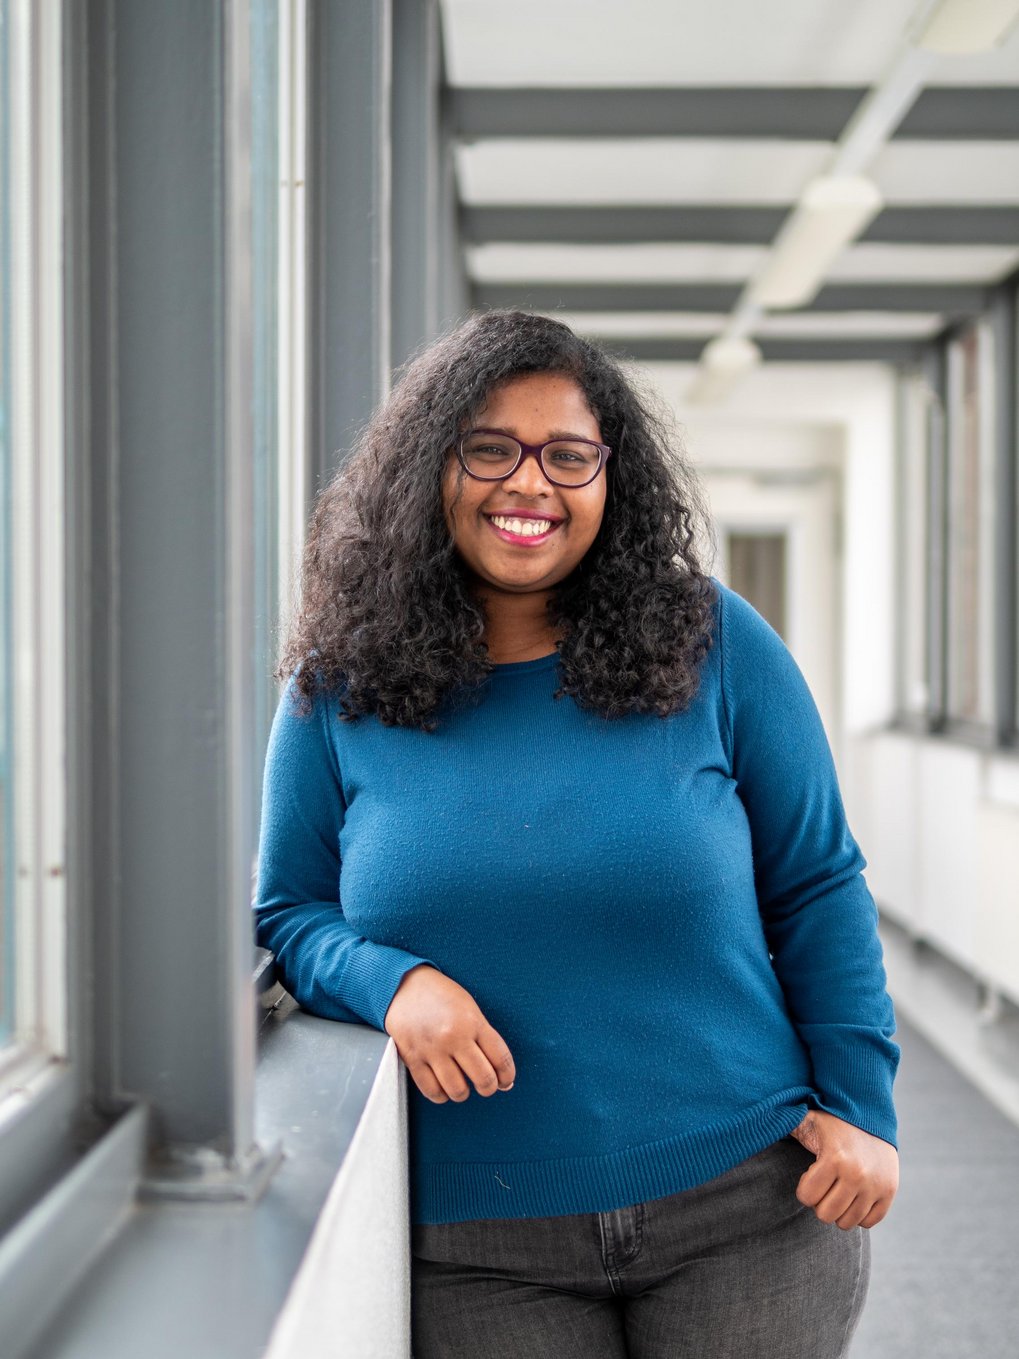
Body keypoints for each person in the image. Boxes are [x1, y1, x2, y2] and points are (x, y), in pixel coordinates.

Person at [254, 309, 901, 1358]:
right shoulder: (338, 690)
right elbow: (288, 911)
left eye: (567, 456)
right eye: (489, 450)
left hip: (742, 1208)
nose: (529, 485)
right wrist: (390, 982)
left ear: (611, 481)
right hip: (477, 1242)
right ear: (430, 471)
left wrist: (864, 1108)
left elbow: (818, 885)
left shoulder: (715, 645)